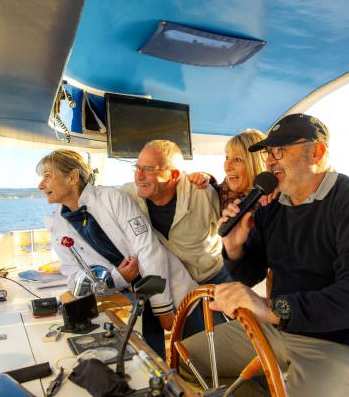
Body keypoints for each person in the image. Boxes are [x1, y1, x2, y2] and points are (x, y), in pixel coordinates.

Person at [182, 114, 349, 397]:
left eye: (279, 150)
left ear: (316, 152)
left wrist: (271, 308)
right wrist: (234, 248)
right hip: (276, 330)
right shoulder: (273, 207)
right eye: (268, 152)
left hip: (342, 343)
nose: (269, 161)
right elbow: (251, 273)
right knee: (183, 362)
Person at [37, 149, 197, 357]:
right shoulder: (58, 226)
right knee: (150, 361)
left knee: (199, 350)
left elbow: (149, 250)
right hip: (128, 301)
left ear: (73, 177)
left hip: (166, 287)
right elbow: (74, 279)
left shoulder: (112, 199)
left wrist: (163, 307)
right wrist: (118, 278)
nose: (41, 185)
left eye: (47, 176)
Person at [120, 140, 230, 285]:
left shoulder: (202, 193)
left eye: (148, 169)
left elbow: (231, 231)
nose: (138, 176)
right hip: (171, 285)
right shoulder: (126, 197)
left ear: (174, 175)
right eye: (137, 167)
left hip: (213, 279)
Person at [189, 129, 267, 212]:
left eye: (237, 159)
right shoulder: (225, 190)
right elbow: (213, 189)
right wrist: (205, 178)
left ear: (256, 163)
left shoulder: (275, 201)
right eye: (227, 158)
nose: (227, 167)